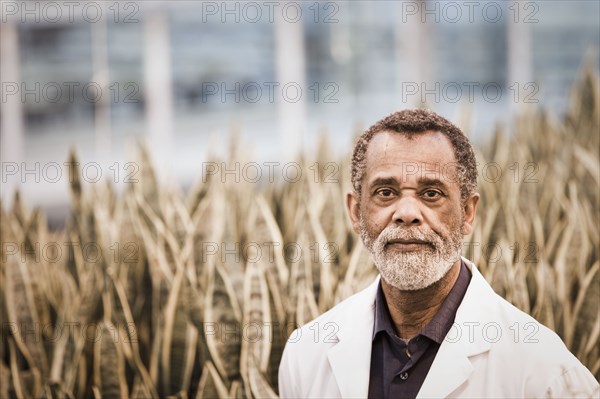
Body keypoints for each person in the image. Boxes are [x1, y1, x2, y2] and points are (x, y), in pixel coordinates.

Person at [278, 109, 599, 398]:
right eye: (385, 192)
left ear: (468, 213)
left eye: (431, 193)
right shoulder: (306, 354)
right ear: (355, 212)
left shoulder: (547, 376)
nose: (406, 212)